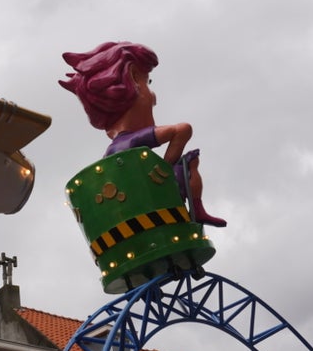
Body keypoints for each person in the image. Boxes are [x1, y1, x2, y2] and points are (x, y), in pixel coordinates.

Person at [59, 41, 227, 227]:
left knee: (190, 163)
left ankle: (197, 209)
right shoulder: (128, 142)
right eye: (148, 83)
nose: (154, 98)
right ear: (133, 79)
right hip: (147, 203)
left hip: (143, 200)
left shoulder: (120, 147)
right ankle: (189, 204)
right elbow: (182, 130)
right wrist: (166, 168)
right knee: (187, 163)